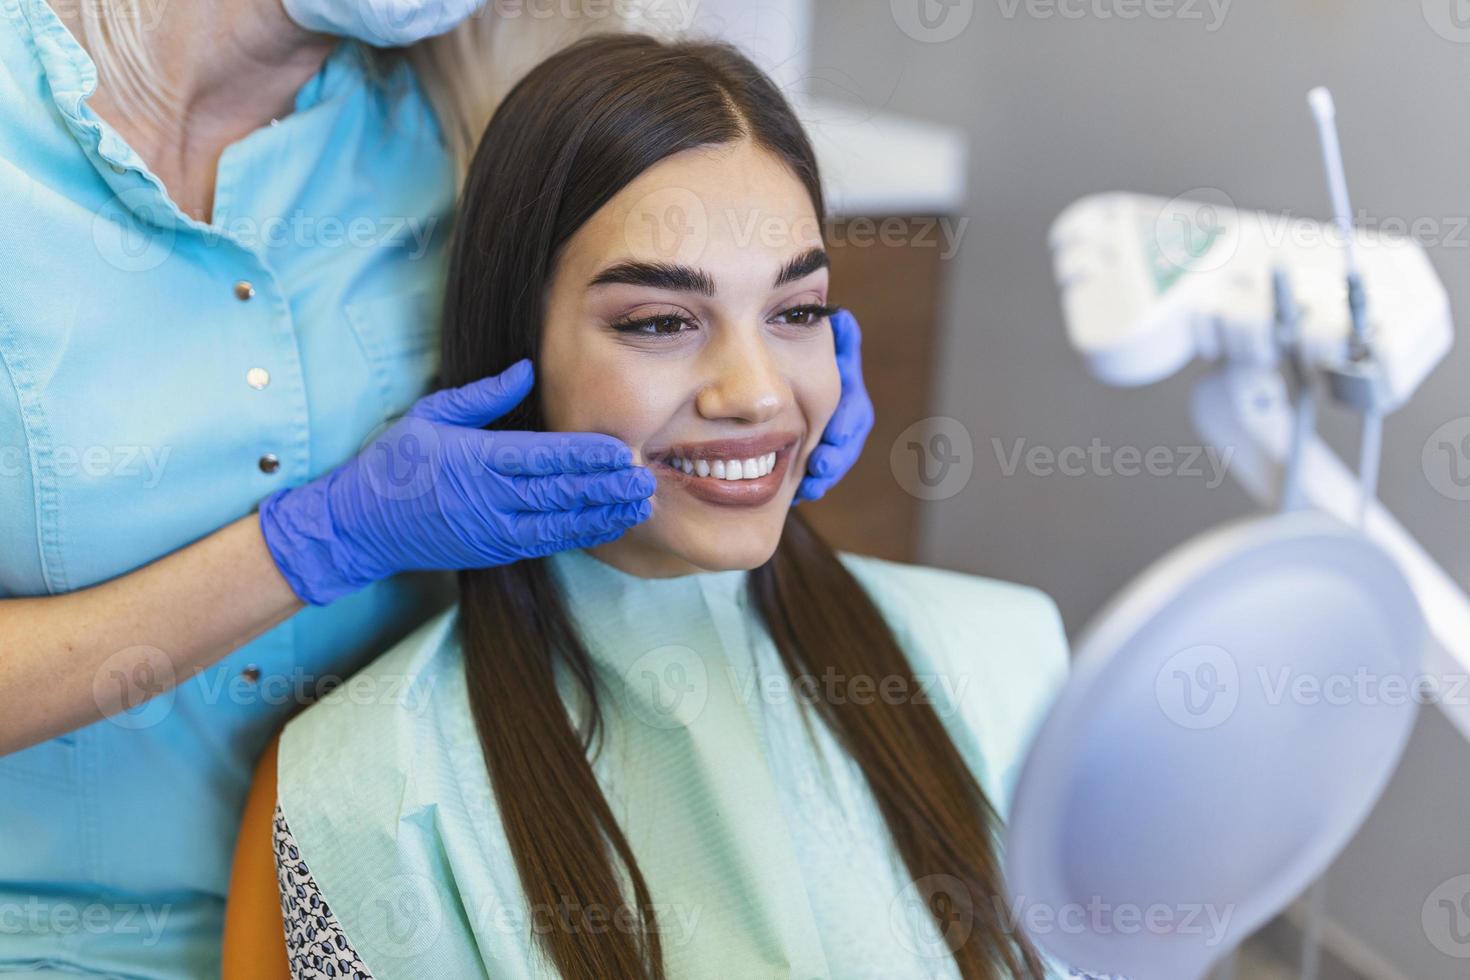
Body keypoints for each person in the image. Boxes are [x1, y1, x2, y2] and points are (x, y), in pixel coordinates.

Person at [0, 3, 872, 977]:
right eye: (662, 320)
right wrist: (320, 541)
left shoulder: (450, 108)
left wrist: (755, 396)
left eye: (802, 309)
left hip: (407, 896)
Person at [224, 34, 1074, 980]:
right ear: (518, 350)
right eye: (661, 322)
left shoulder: (1009, 668)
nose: (755, 392)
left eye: (796, 311)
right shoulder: (368, 789)